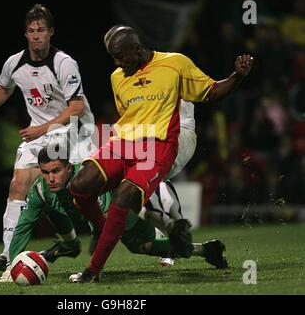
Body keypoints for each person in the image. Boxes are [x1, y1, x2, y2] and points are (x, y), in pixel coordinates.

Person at [69, 25, 254, 282]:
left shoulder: (175, 64)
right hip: (122, 142)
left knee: (123, 198)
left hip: (157, 146)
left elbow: (212, 92)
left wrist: (238, 76)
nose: (117, 63)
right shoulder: (117, 77)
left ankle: (93, 270)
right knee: (79, 186)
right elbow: (127, 114)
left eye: (120, 57)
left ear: (137, 49)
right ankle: (107, 228)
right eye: (113, 57)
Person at [0, 4, 96, 275]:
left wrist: (43, 129)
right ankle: (8, 253)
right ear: (25, 34)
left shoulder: (64, 63)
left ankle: (107, 236)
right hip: (40, 132)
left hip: (72, 130)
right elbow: (3, 88)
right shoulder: (15, 63)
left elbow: (77, 108)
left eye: (41, 30)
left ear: (51, 33)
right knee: (19, 184)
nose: (36, 35)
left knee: (72, 192)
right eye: (31, 31)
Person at [0, 145, 228, 284]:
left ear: (69, 168)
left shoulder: (85, 180)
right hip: (92, 218)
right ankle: (202, 249)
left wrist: (93, 270)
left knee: (142, 247)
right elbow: (24, 226)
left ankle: (194, 244)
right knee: (52, 207)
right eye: (46, 172)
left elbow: (104, 226)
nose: (51, 178)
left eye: (56, 171)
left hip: (122, 207)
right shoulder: (40, 189)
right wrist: (11, 264)